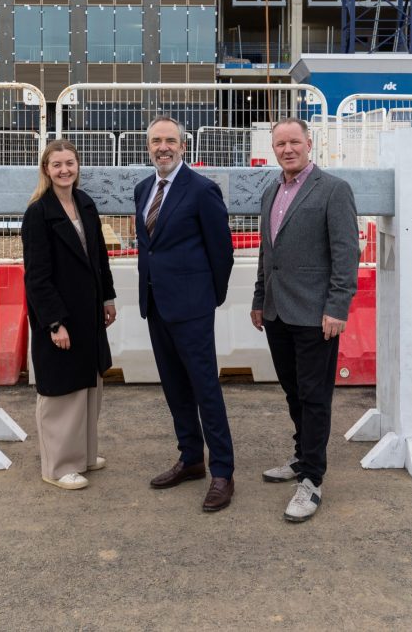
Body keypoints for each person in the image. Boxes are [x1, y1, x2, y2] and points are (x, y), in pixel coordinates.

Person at [251, 117, 359, 522]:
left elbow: (346, 254)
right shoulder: (271, 191)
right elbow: (268, 254)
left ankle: (312, 479)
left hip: (316, 315)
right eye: (280, 144)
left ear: (309, 144)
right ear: (274, 148)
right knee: (294, 392)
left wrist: (337, 307)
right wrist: (260, 299)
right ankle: (301, 457)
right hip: (278, 312)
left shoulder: (333, 190)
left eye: (294, 142)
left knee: (315, 398)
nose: (287, 149)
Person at [135, 115, 235, 512]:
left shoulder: (201, 190)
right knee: (175, 388)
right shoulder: (144, 188)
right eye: (157, 140)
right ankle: (191, 458)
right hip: (156, 304)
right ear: (149, 147)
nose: (163, 146)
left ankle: (223, 471)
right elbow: (151, 247)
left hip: (192, 307)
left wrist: (209, 299)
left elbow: (222, 252)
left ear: (183, 145)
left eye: (170, 140)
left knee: (205, 389)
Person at [22, 140, 117, 490]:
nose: (64, 170)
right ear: (46, 169)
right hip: (61, 315)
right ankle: (59, 466)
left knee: (90, 386)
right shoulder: (38, 213)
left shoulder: (85, 204)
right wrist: (54, 322)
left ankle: (85, 456)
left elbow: (99, 258)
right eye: (57, 164)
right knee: (62, 392)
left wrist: (107, 297)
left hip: (88, 311)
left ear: (78, 166)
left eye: (70, 163)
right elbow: (36, 276)